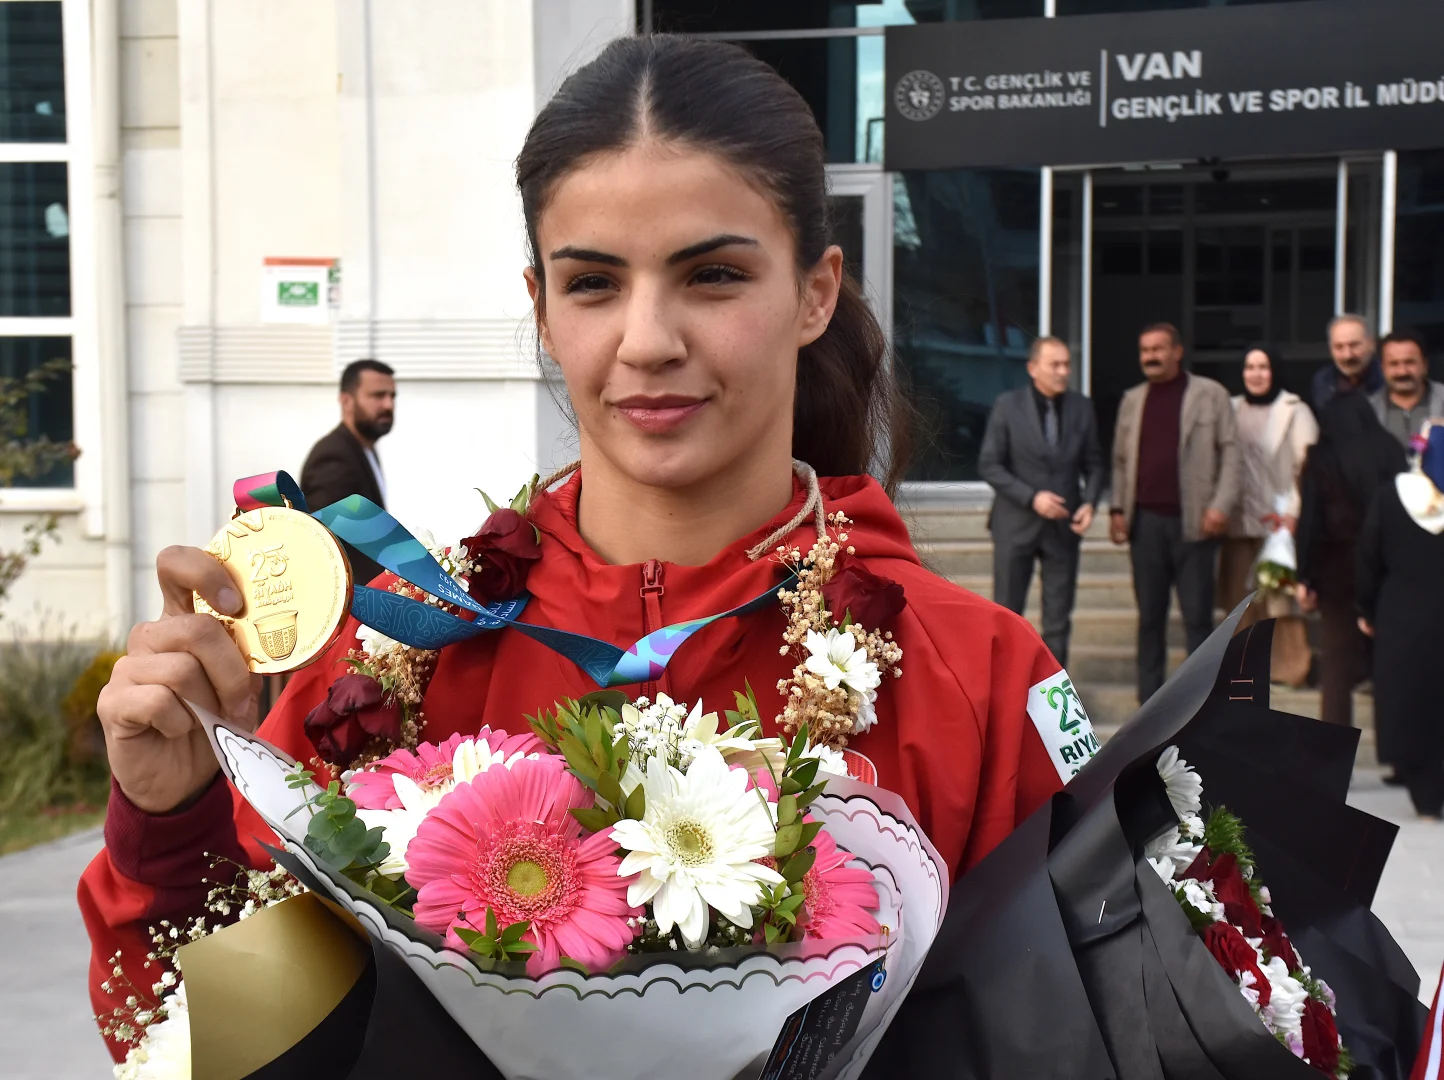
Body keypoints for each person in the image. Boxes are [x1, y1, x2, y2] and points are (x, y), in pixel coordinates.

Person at [82, 35, 1091, 1061]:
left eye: (713, 276)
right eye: (595, 284)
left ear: (816, 293)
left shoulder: (982, 677)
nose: (647, 339)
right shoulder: (392, 655)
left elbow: (1094, 1026)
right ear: (542, 309)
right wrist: (172, 818)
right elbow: (181, 1036)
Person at [1108, 322, 1238, 704]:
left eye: (1158, 348)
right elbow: (1119, 460)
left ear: (1177, 351)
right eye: (1145, 349)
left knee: (1197, 617)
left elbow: (1231, 454)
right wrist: (1117, 507)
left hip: (1195, 522)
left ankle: (1199, 700)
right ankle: (1149, 701)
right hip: (1145, 523)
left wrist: (1220, 504)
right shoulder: (1132, 399)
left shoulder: (1210, 394)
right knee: (1150, 617)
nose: (1151, 356)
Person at [977, 336, 1103, 665]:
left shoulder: (1082, 407)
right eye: (1055, 365)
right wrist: (1032, 498)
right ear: (1033, 368)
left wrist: (1090, 502)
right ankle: (1006, 692)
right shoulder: (1008, 405)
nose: (1063, 371)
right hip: (1015, 523)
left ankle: (1054, 701)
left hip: (1063, 527)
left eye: (1067, 364)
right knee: (1007, 614)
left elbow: (1094, 464)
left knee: (1058, 622)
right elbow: (990, 464)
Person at [1296, 393, 1407, 728]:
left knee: (1336, 668)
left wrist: (1305, 576)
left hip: (1337, 569)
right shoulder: (1390, 449)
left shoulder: (1321, 457)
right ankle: (1399, 757)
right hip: (1389, 566)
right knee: (1391, 665)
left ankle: (1333, 758)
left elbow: (1310, 522)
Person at [1357, 421, 1444, 821]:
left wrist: (1367, 609)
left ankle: (1425, 799)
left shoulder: (1392, 496)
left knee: (1412, 703)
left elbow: (1369, 557)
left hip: (1402, 615)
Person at [1216, 345, 1317, 683]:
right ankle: (1242, 670)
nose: (1256, 374)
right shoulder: (1229, 409)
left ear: (1274, 371)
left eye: (1263, 367)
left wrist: (1294, 514)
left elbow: (1309, 466)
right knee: (1239, 603)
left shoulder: (1295, 410)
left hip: (1278, 524)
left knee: (1279, 604)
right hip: (1238, 521)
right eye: (1250, 367)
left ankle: (1290, 669)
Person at [300, 358, 396, 583]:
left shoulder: (363, 450)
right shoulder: (334, 456)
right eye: (378, 395)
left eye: (392, 396)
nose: (388, 405)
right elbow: (325, 544)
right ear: (347, 401)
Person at [1368, 329, 1444, 447]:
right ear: (1382, 369)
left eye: (1409, 362)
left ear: (1424, 365)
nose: (1402, 372)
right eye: (1394, 364)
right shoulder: (1368, 411)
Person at [1309, 313, 1383, 416]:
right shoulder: (1323, 381)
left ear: (1371, 344)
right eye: (1339, 347)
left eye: (1354, 345)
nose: (1347, 355)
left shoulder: (1388, 379)